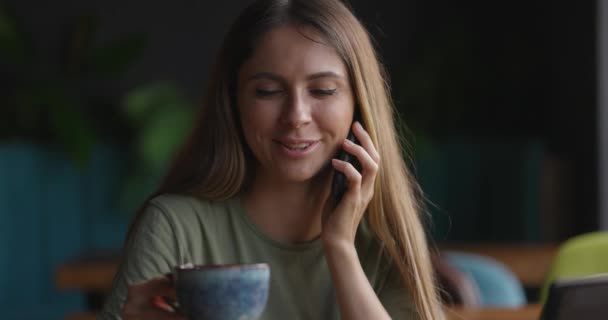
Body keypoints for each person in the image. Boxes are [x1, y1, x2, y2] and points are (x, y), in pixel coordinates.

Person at [99, 0, 444, 319]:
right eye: (267, 91)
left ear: (359, 103)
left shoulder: (384, 237)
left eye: (323, 90)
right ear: (235, 101)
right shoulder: (175, 227)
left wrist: (340, 247)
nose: (296, 116)